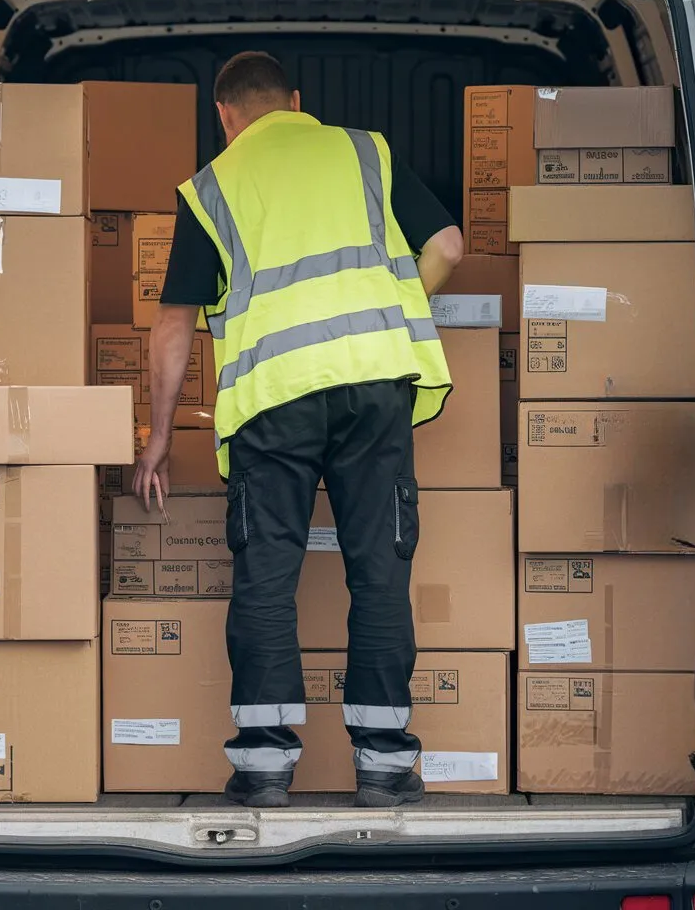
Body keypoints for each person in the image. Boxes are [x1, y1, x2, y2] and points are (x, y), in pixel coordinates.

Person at [131, 52, 463, 810]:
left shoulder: (210, 189)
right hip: (373, 387)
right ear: (298, 102)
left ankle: (264, 768)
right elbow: (447, 246)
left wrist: (156, 438)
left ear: (226, 115)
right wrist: (394, 308)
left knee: (268, 578)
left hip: (272, 402)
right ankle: (384, 766)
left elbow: (174, 324)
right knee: (378, 571)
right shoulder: (364, 151)